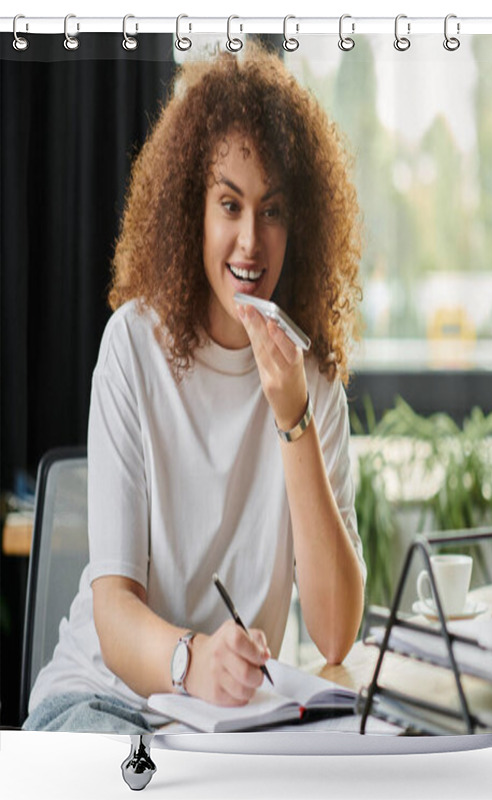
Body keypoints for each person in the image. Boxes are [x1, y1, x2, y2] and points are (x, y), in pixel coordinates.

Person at [23, 41, 365, 733]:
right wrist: (193, 661)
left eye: (272, 210)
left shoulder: (313, 379)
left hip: (231, 730)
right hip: (102, 700)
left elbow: (333, 636)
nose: (250, 242)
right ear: (193, 212)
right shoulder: (133, 347)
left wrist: (292, 415)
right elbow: (114, 611)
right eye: (229, 205)